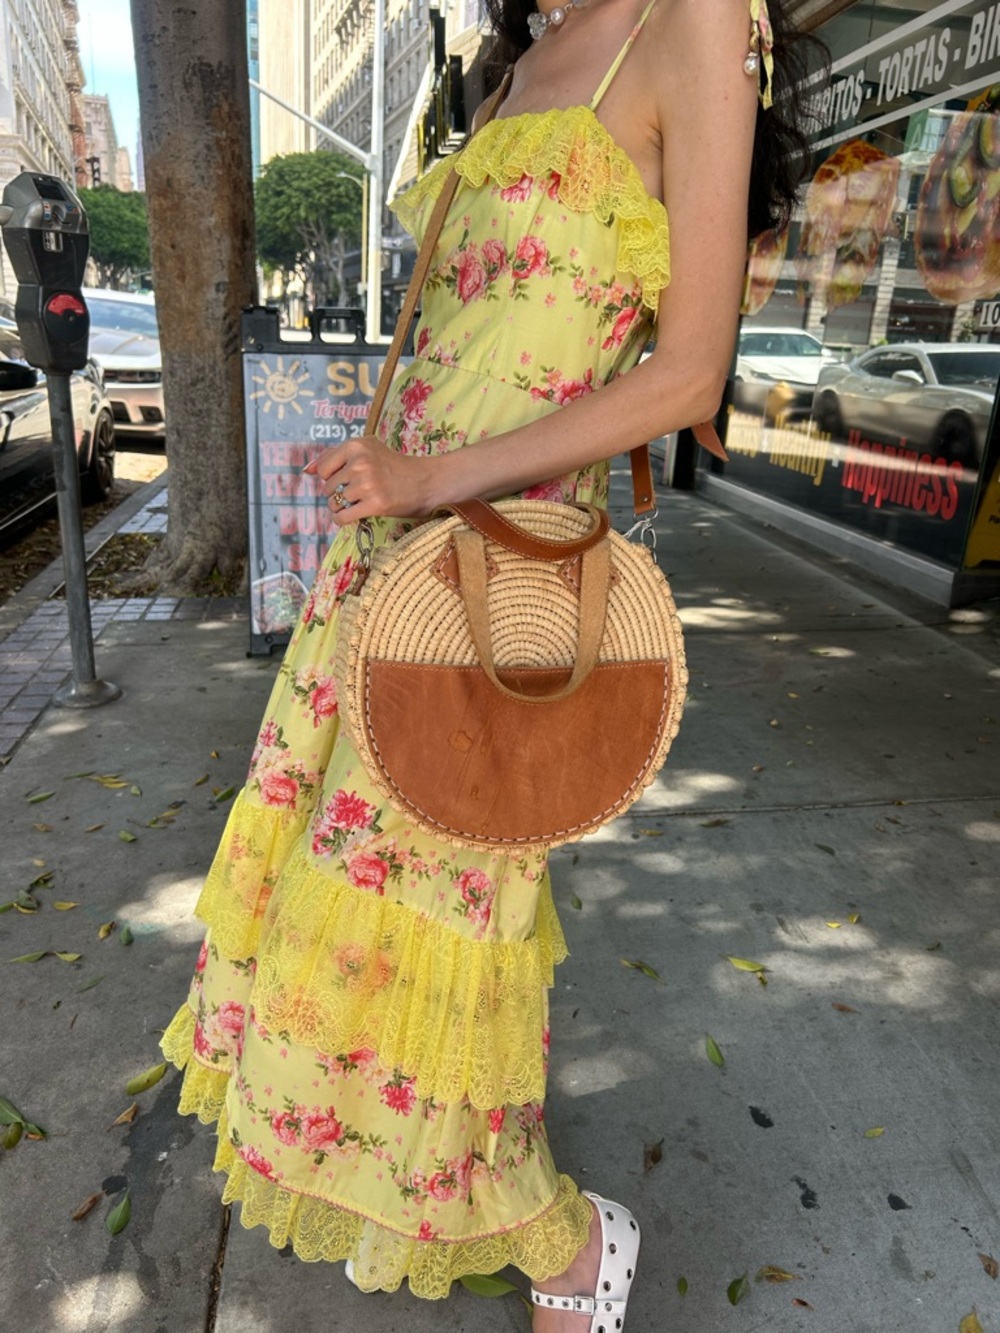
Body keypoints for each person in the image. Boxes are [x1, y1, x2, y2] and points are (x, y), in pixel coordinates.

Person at [161, 0, 811, 1327]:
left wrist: (430, 474)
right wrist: (387, 472)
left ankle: (569, 1246)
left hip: (491, 574)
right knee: (348, 918)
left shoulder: (694, 27)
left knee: (436, 928)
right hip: (387, 568)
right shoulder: (520, 57)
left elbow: (691, 375)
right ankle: (488, 1209)